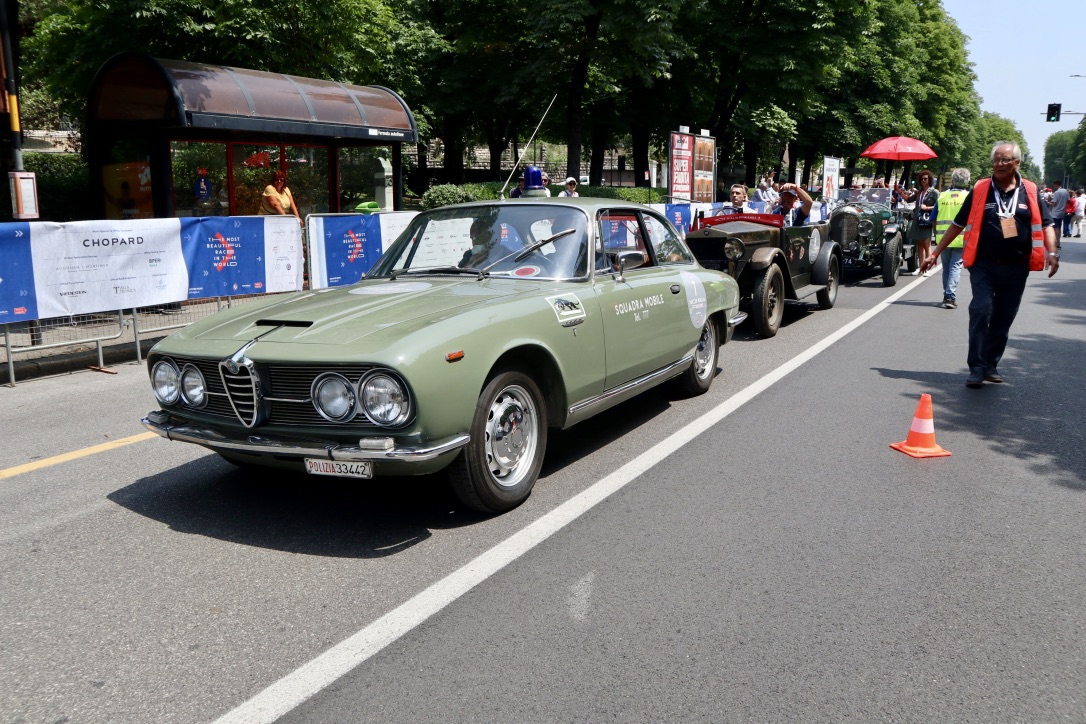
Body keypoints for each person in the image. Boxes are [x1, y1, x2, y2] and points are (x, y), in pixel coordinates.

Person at [919, 142, 1059, 388]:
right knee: (981, 309)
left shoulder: (1030, 190)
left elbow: (1046, 224)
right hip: (983, 263)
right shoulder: (981, 188)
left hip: (1016, 265)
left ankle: (991, 364)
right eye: (996, 160)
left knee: (1004, 317)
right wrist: (935, 252)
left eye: (1005, 160)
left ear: (1017, 163)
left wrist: (1053, 252)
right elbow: (958, 223)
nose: (999, 165)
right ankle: (976, 367)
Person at [931, 168, 971, 309]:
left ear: (953, 180)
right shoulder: (969, 196)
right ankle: (950, 296)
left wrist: (937, 233)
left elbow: (933, 219)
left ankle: (946, 294)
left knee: (947, 268)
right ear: (967, 181)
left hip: (943, 238)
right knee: (955, 267)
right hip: (961, 238)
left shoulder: (942, 196)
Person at [895, 169, 939, 275]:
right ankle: (921, 267)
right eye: (921, 179)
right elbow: (908, 199)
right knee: (919, 244)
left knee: (927, 244)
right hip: (918, 220)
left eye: (925, 179)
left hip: (927, 220)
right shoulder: (919, 192)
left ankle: (928, 268)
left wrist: (927, 207)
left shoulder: (934, 192)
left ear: (929, 180)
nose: (923, 180)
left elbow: (939, 205)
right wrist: (899, 191)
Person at [1048, 180, 1068, 249]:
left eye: (1054, 185)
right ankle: (1058, 242)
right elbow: (1068, 200)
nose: (1053, 186)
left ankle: (1056, 242)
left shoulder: (1057, 192)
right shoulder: (1066, 191)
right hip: (1062, 212)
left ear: (1056, 184)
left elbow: (1054, 203)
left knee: (1056, 228)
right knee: (1059, 227)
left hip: (1056, 212)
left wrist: (1048, 202)